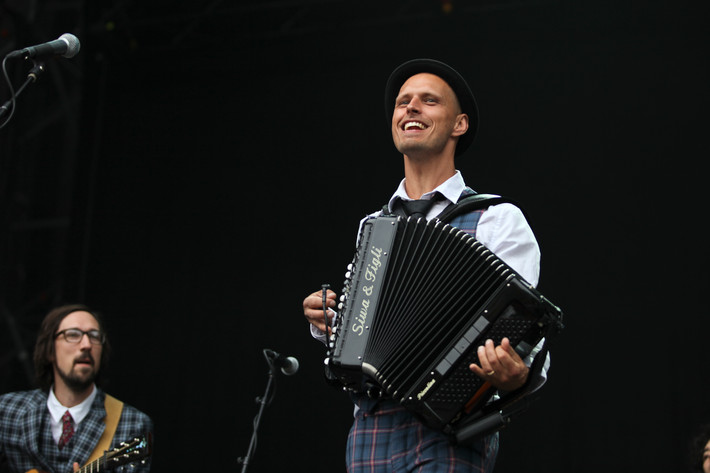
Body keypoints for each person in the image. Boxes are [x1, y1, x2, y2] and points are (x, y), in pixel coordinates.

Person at [303, 58, 548, 472]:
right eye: (403, 102)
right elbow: (367, 334)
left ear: (459, 125)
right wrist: (332, 319)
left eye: (428, 101)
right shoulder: (374, 226)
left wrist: (516, 374)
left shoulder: (497, 219)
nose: (410, 108)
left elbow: (523, 331)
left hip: (448, 433)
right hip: (370, 431)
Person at [0, 304, 153, 473]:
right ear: (50, 350)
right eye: (73, 335)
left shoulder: (132, 424)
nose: (87, 344)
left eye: (95, 336)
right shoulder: (6, 412)